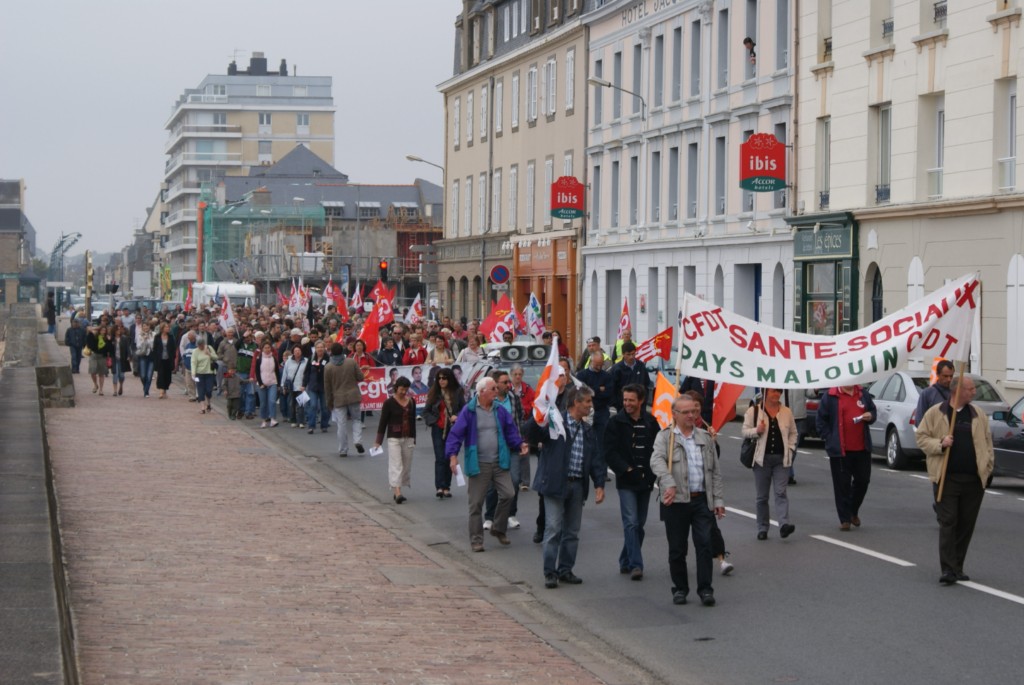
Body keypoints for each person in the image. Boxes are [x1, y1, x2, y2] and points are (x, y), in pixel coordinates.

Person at [916, 375, 994, 585]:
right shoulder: (936, 413)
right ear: (957, 390)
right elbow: (921, 437)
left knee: (966, 524)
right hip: (946, 478)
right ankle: (948, 569)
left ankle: (958, 566)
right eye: (970, 389)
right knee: (948, 521)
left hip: (973, 480)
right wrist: (940, 443)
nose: (974, 392)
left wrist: (987, 467)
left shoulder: (977, 414)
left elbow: (987, 442)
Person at [650, 394, 725, 607]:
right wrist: (668, 481)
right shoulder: (665, 437)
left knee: (704, 544)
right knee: (677, 548)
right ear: (674, 415)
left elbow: (715, 472)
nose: (692, 415)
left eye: (694, 411)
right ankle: (680, 589)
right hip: (676, 501)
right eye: (686, 412)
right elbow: (656, 461)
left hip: (701, 500)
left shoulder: (705, 437)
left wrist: (718, 500)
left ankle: (706, 590)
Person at [528, 384, 605, 588]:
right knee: (553, 528)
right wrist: (538, 416)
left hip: (577, 485)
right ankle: (550, 572)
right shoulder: (555, 423)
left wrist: (599, 483)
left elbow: (595, 458)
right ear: (576, 403)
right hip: (555, 484)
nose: (590, 406)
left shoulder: (587, 429)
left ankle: (565, 570)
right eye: (587, 401)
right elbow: (530, 434)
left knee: (572, 531)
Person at [446, 377, 528, 553]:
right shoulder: (469, 411)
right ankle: (476, 540)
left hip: (500, 461)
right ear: (482, 392)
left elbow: (510, 430)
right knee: (475, 504)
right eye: (493, 389)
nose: (496, 392)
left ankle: (498, 527)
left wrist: (519, 444)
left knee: (508, 494)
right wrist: (452, 456)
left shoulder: (499, 410)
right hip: (479, 464)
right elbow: (455, 434)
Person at [603, 383, 658, 580]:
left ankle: (625, 559)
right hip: (627, 481)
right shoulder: (615, 422)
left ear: (641, 401)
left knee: (639, 524)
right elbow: (609, 451)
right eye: (625, 400)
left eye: (631, 400)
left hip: (646, 481)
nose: (627, 403)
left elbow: (658, 450)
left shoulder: (651, 422)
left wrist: (653, 474)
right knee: (631, 522)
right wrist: (626, 469)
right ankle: (636, 565)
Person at [816, 384, 877, 531]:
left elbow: (872, 411)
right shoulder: (830, 396)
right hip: (840, 450)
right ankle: (845, 519)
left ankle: (852, 510)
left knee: (863, 481)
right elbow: (821, 421)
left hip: (862, 448)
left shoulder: (862, 393)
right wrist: (829, 439)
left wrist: (870, 416)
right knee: (842, 484)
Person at [742, 388, 798, 540]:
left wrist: (791, 449)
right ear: (765, 392)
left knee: (781, 492)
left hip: (781, 459)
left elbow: (793, 432)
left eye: (779, 391)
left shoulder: (786, 412)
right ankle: (762, 527)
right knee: (762, 496)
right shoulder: (754, 411)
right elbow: (744, 431)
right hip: (761, 460)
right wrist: (756, 430)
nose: (777, 394)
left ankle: (784, 525)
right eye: (773, 391)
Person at [422, 367, 465, 499]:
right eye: (439, 378)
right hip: (438, 429)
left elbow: (464, 409)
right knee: (440, 458)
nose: (441, 381)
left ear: (449, 379)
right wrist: (434, 421)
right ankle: (440, 487)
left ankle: (447, 487)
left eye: (444, 378)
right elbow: (426, 412)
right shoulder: (434, 392)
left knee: (449, 457)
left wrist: (456, 416)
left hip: (453, 429)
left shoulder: (457, 392)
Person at [375, 376, 417, 504]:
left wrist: (414, 438)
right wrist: (378, 441)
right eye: (401, 389)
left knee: (406, 465)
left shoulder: (411, 402)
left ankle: (399, 487)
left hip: (408, 437)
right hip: (394, 437)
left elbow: (412, 421)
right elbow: (383, 422)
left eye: (406, 390)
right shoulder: (388, 403)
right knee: (396, 464)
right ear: (396, 388)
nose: (404, 392)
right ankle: (397, 492)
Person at [324, 342, 365, 457]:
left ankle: (343, 449)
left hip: (338, 398)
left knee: (341, 424)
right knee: (356, 420)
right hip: (353, 395)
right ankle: (357, 440)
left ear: (331, 352)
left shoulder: (328, 367)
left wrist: (329, 402)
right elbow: (361, 377)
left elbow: (327, 388)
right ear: (342, 351)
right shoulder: (351, 362)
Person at [509, 364, 537, 491]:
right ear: (511, 375)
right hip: (510, 424)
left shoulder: (527, 389)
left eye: (520, 374)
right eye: (515, 374)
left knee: (525, 451)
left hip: (524, 423)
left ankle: (525, 481)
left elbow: (534, 402)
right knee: (513, 451)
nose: (517, 377)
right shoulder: (507, 388)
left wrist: (526, 410)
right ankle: (513, 478)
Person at [575, 350, 614, 440]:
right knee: (586, 437)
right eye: (597, 364)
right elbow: (581, 393)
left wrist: (592, 390)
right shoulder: (582, 375)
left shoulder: (607, 376)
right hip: (585, 412)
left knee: (602, 438)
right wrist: (598, 389)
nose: (599, 367)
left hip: (602, 411)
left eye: (601, 364)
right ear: (591, 361)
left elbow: (608, 393)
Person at [609, 341, 651, 411]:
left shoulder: (641, 366)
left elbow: (646, 384)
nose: (631, 357)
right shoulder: (616, 369)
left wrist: (643, 400)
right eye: (628, 354)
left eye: (633, 354)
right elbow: (612, 388)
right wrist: (617, 404)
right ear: (623, 354)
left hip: (639, 406)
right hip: (623, 407)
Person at [914, 360, 955, 425]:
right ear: (937, 374)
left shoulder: (957, 393)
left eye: (951, 376)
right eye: (945, 376)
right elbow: (919, 420)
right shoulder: (927, 393)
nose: (949, 379)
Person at [303, 341, 331, 434]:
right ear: (315, 348)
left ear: (324, 348)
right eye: (318, 347)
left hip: (324, 386)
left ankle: (324, 425)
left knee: (325, 407)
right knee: (313, 405)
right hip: (313, 386)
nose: (320, 349)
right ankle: (311, 426)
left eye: (321, 347)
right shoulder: (311, 358)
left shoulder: (328, 359)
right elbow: (307, 372)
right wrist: (304, 384)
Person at [251, 341, 281, 428]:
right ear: (262, 349)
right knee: (263, 403)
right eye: (265, 348)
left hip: (273, 383)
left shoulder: (274, 358)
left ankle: (273, 419)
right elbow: (257, 371)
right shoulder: (259, 359)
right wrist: (260, 383)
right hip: (262, 383)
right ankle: (264, 420)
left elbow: (277, 372)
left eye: (269, 348)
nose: (267, 349)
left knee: (272, 401)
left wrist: (278, 384)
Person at [281, 345, 308, 427]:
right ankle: (293, 420)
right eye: (295, 350)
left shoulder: (306, 361)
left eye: (299, 350)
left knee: (301, 405)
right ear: (293, 352)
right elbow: (285, 374)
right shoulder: (288, 361)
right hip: (291, 386)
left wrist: (306, 385)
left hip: (302, 386)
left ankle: (301, 421)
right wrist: (283, 385)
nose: (297, 352)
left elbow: (308, 374)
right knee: (291, 404)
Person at [190, 337, 218, 414]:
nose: (200, 347)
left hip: (209, 373)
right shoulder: (195, 351)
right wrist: (193, 373)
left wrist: (209, 354)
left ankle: (208, 403)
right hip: (199, 374)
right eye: (198, 345)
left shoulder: (209, 348)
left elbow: (216, 357)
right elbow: (193, 362)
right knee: (200, 390)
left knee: (209, 390)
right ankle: (202, 408)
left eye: (201, 345)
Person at [85, 324, 112, 395]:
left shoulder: (107, 338)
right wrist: (96, 328)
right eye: (102, 330)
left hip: (102, 356)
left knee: (101, 373)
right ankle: (95, 384)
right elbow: (88, 330)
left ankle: (101, 389)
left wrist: (109, 341)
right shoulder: (94, 336)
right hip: (94, 355)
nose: (103, 331)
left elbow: (109, 348)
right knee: (92, 371)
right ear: (99, 331)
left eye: (104, 330)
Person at [111, 323, 132, 397]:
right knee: (115, 374)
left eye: (120, 329)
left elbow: (128, 348)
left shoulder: (124, 338)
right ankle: (115, 391)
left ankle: (121, 385)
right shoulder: (111, 338)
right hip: (114, 359)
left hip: (122, 359)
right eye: (117, 329)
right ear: (114, 330)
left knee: (121, 375)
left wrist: (129, 356)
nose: (119, 330)